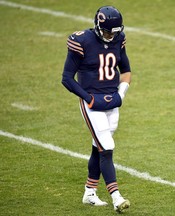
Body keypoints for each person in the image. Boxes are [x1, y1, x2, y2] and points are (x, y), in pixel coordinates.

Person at [61, 5, 131, 213]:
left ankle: (89, 193)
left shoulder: (119, 38)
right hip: (92, 103)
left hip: (112, 101)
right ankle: (116, 197)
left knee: (98, 147)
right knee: (107, 147)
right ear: (98, 27)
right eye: (108, 31)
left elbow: (125, 69)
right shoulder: (81, 41)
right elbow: (66, 78)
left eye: (114, 32)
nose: (111, 36)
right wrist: (87, 98)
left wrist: (121, 93)